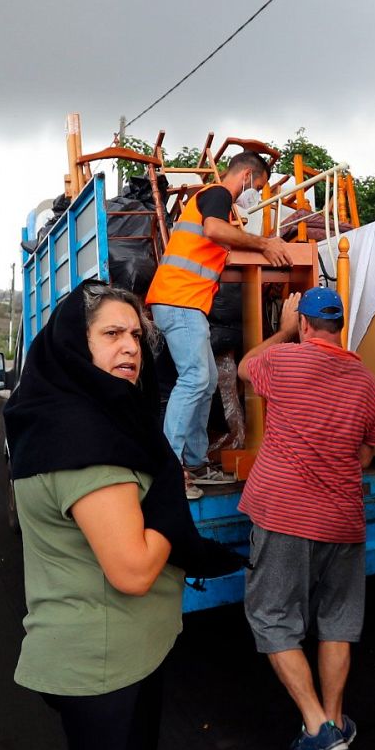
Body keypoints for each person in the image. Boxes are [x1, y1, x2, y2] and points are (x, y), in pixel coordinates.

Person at [2, 280, 245, 750]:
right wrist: (166, 500)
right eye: (111, 333)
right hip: (104, 664)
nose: (131, 346)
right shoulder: (85, 441)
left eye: (135, 334)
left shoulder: (62, 418)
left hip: (113, 652)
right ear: (75, 343)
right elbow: (133, 571)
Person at [236, 287, 375, 750]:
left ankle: (316, 728)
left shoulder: (283, 361)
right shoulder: (366, 380)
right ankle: (337, 721)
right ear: (339, 326)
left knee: (274, 617)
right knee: (337, 622)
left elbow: (242, 369)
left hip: (283, 512)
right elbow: (367, 453)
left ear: (304, 325)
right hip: (343, 518)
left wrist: (279, 331)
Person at [146, 152, 292, 499]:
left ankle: (195, 462)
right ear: (245, 176)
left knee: (207, 379)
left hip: (184, 302)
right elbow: (213, 229)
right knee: (196, 377)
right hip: (180, 300)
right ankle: (168, 469)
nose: (252, 193)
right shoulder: (217, 195)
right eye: (255, 186)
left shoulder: (218, 207)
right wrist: (263, 243)